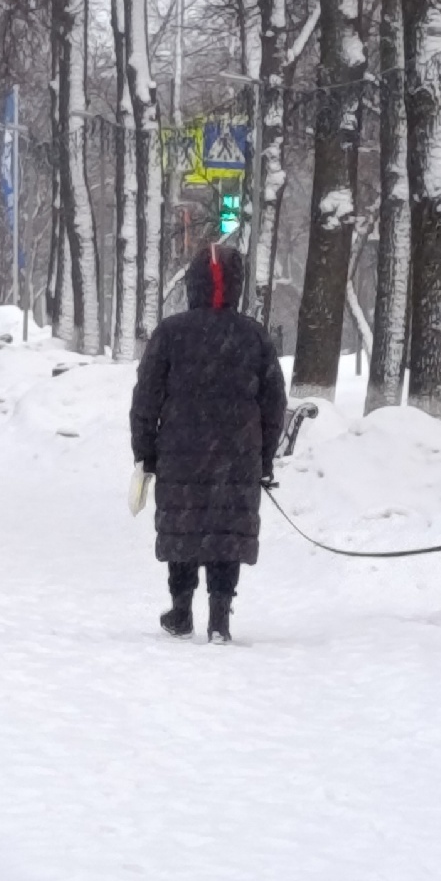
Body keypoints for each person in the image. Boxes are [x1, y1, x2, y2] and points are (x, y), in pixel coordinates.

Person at [129, 242, 287, 644]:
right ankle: (220, 617)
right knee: (225, 531)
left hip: (180, 455)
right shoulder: (254, 337)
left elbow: (146, 397)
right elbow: (274, 404)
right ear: (238, 286)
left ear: (193, 284)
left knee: (185, 527)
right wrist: (264, 457)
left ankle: (181, 611)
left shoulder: (170, 334)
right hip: (237, 458)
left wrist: (145, 452)